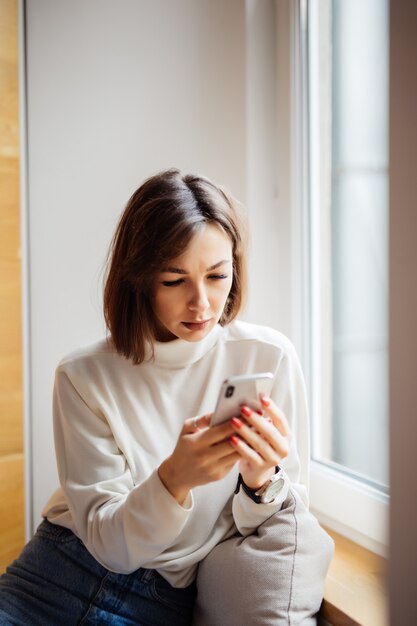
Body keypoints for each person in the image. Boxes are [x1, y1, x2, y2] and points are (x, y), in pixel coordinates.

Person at [0, 169, 332, 625]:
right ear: (138, 279)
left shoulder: (267, 358)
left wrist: (260, 482)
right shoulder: (82, 376)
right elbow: (108, 544)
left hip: (158, 604)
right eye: (175, 281)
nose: (202, 304)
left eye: (217, 276)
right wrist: (174, 479)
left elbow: (271, 524)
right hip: (54, 575)